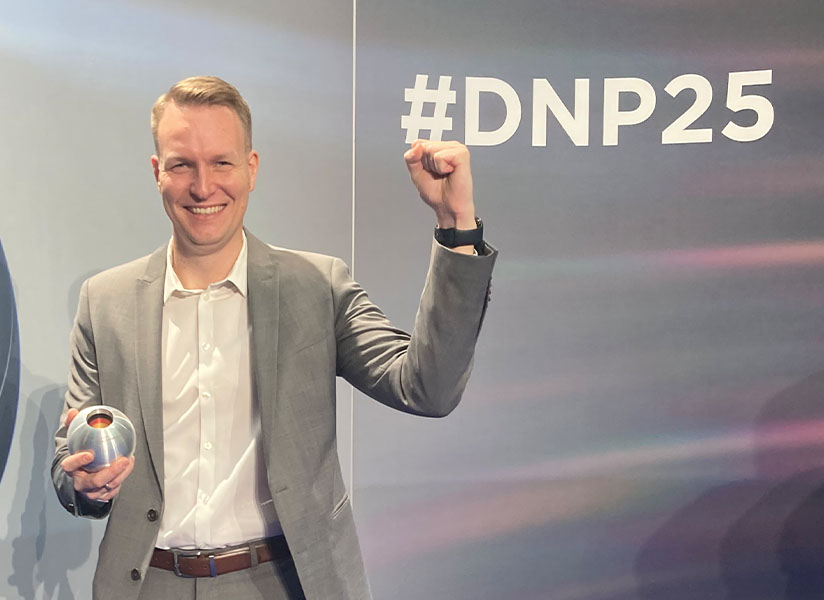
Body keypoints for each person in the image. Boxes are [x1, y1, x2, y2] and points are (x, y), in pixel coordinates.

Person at [51, 75, 496, 600]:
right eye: (182, 165)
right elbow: (69, 461)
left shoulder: (316, 286)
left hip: (286, 583)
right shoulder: (105, 301)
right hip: (148, 583)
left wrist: (456, 225)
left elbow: (427, 388)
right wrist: (83, 482)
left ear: (252, 168)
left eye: (222, 162)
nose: (203, 187)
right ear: (157, 172)